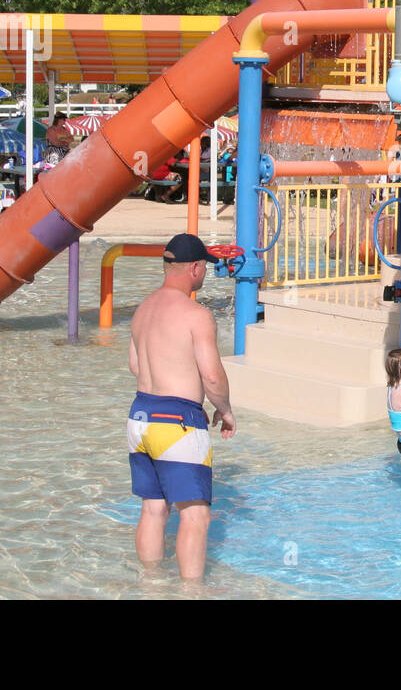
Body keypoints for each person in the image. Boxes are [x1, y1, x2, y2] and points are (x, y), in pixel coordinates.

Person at [127, 234, 236, 581]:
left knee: (154, 508)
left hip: (139, 419)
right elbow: (213, 376)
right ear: (195, 268)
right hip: (177, 422)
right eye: (204, 266)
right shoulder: (196, 315)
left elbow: (135, 366)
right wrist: (225, 409)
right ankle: (192, 593)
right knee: (195, 515)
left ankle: (150, 585)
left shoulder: (142, 309)